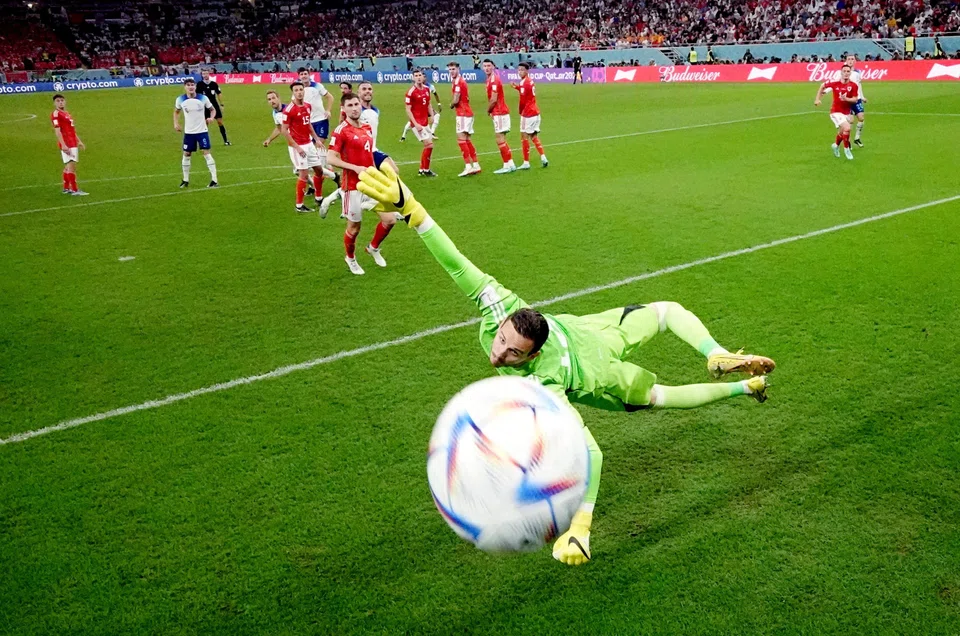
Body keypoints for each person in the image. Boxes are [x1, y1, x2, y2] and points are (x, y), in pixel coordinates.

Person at [356, 164, 775, 566]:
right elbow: (454, 260)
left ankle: (740, 384)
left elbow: (590, 451)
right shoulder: (499, 305)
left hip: (597, 375)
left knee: (660, 397)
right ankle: (717, 355)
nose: (498, 355)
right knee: (666, 311)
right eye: (502, 341)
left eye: (513, 355)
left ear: (533, 356)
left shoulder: (546, 384)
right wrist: (412, 208)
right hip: (592, 330)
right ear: (504, 322)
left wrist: (580, 525)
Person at [327, 93, 399, 275]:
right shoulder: (341, 131)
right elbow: (330, 158)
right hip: (353, 187)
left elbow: (369, 157)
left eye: (356, 104)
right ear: (343, 109)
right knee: (354, 227)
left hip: (371, 184)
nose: (354, 108)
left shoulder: (366, 128)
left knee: (390, 220)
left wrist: (377, 177)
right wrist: (355, 167)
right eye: (350, 105)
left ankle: (373, 247)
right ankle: (350, 258)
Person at [281, 81, 329, 213]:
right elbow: (284, 130)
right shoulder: (289, 110)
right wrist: (297, 147)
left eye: (301, 89)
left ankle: (319, 198)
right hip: (298, 147)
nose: (299, 92)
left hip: (309, 143)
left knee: (319, 170)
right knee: (303, 174)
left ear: (304, 91)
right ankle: (299, 205)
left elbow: (308, 124)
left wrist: (317, 139)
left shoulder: (307, 106)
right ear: (293, 92)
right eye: (296, 90)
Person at [174, 78, 218, 188]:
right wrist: (176, 123)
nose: (190, 87)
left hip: (202, 131)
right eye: (188, 85)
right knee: (186, 154)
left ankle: (214, 180)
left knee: (206, 153)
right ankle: (185, 180)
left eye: (192, 84)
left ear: (195, 86)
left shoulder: (203, 98)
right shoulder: (180, 99)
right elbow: (176, 111)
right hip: (189, 133)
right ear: (185, 87)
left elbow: (213, 109)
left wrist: (211, 118)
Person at [814, 64, 859, 161]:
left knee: (842, 132)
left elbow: (855, 99)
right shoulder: (835, 83)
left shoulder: (854, 85)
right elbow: (822, 86)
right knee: (847, 127)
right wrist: (817, 99)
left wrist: (846, 98)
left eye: (848, 71)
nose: (846, 73)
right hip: (835, 112)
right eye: (844, 71)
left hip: (846, 112)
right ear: (841, 72)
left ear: (850, 73)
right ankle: (847, 149)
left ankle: (836, 146)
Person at [482, 59, 516, 174]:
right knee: (502, 140)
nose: (486, 68)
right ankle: (511, 164)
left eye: (489, 66)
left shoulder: (494, 80)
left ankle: (506, 165)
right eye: (485, 66)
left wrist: (488, 110)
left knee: (500, 139)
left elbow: (493, 99)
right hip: (500, 112)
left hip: (500, 112)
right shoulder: (489, 80)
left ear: (493, 67)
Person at [511, 63, 548, 169]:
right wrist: (517, 88)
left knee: (524, 137)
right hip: (536, 112)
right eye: (518, 70)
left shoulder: (524, 82)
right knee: (534, 136)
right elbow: (527, 93)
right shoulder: (530, 81)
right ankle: (543, 157)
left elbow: (522, 100)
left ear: (527, 71)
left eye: (522, 70)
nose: (520, 72)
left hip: (528, 113)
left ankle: (526, 163)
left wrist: (520, 111)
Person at [50, 94, 88, 196]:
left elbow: (72, 130)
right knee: (72, 166)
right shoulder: (56, 114)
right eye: (58, 101)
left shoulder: (66, 113)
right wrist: (63, 145)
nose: (60, 102)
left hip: (72, 142)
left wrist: (79, 141)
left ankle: (66, 188)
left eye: (62, 100)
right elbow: (57, 131)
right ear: (54, 103)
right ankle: (75, 190)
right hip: (67, 143)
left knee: (68, 166)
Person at [448, 61, 481, 177]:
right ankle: (476, 165)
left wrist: (451, 104)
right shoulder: (460, 81)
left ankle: (468, 166)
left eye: (453, 69)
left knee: (461, 140)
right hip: (468, 112)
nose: (451, 71)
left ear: (458, 69)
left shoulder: (457, 82)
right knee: (467, 140)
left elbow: (456, 99)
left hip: (462, 113)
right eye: (450, 69)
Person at [404, 69, 437, 177]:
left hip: (425, 122)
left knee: (428, 146)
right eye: (416, 75)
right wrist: (415, 124)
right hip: (417, 123)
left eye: (420, 75)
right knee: (429, 145)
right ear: (413, 78)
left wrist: (432, 115)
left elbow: (428, 103)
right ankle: (426, 170)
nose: (418, 77)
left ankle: (422, 169)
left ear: (423, 77)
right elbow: (408, 109)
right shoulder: (411, 92)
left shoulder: (427, 89)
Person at [197, 68, 230, 146]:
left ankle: (226, 140)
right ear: (202, 75)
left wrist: (221, 104)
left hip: (214, 106)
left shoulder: (214, 84)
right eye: (203, 74)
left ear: (209, 74)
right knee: (205, 124)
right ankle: (203, 142)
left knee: (220, 122)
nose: (205, 75)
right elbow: (197, 96)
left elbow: (219, 93)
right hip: (205, 107)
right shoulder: (199, 84)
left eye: (206, 73)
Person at [844, 54, 868, 147]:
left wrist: (862, 97)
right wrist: (825, 91)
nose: (850, 61)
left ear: (855, 61)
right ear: (846, 61)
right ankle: (848, 141)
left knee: (861, 118)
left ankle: (857, 138)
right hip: (847, 100)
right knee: (850, 121)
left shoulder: (858, 72)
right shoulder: (843, 72)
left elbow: (859, 85)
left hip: (857, 99)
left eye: (852, 59)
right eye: (849, 59)